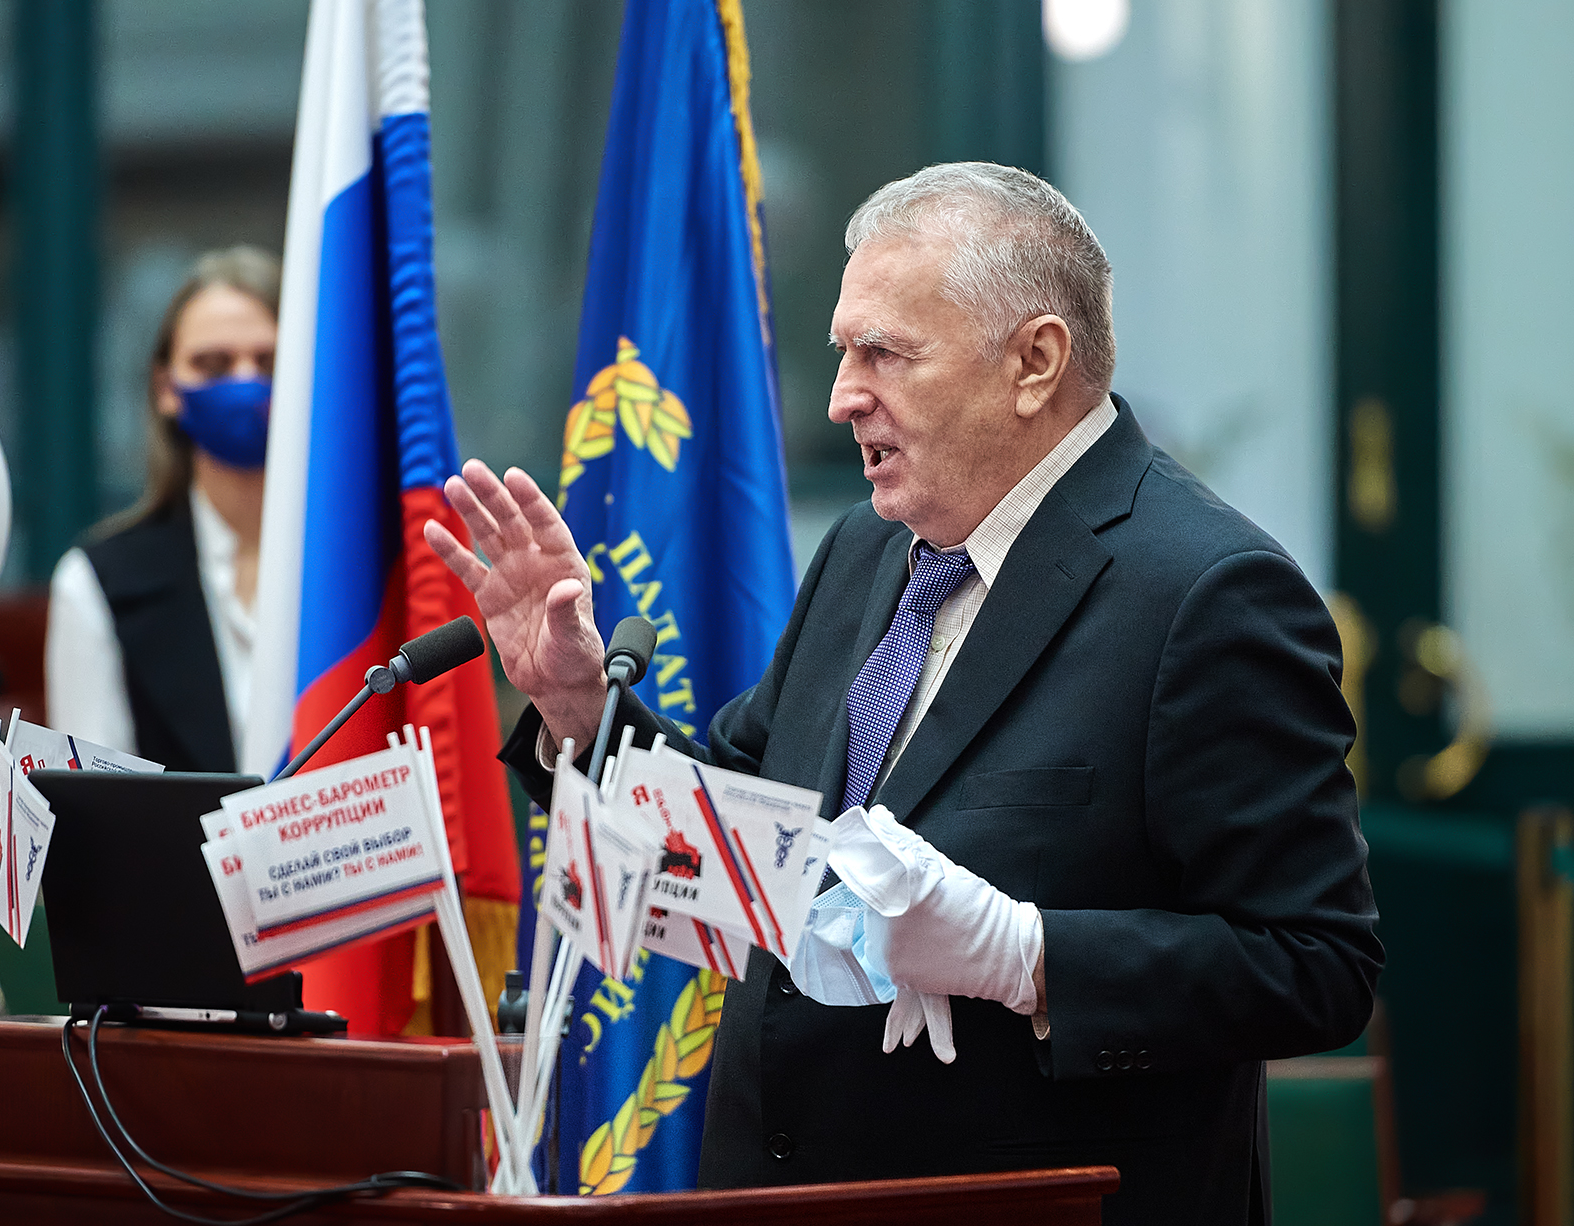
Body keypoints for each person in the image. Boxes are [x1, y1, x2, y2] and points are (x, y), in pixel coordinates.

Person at [424, 163, 1381, 1224]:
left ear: (1034, 362)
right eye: (844, 352)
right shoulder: (866, 549)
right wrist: (576, 707)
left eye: (885, 352)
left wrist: (1029, 956)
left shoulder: (1208, 591)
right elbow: (747, 831)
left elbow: (1318, 964)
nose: (842, 395)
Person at [45, 246, 280, 771]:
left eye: (269, 363)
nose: (244, 382)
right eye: (213, 364)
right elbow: (98, 805)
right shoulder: (97, 583)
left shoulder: (370, 569)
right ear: (166, 388)